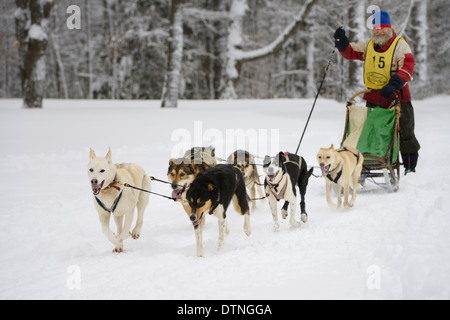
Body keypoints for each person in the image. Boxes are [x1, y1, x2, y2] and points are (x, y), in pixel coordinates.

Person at [334, 10, 420, 175]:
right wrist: (342, 42)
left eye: (383, 27)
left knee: (405, 133)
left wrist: (394, 83)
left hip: (398, 97)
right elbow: (351, 52)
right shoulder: (369, 45)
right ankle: (370, 164)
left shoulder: (400, 45)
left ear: (389, 28)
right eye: (376, 28)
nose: (379, 31)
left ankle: (410, 169)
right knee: (372, 132)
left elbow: (407, 67)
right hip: (375, 97)